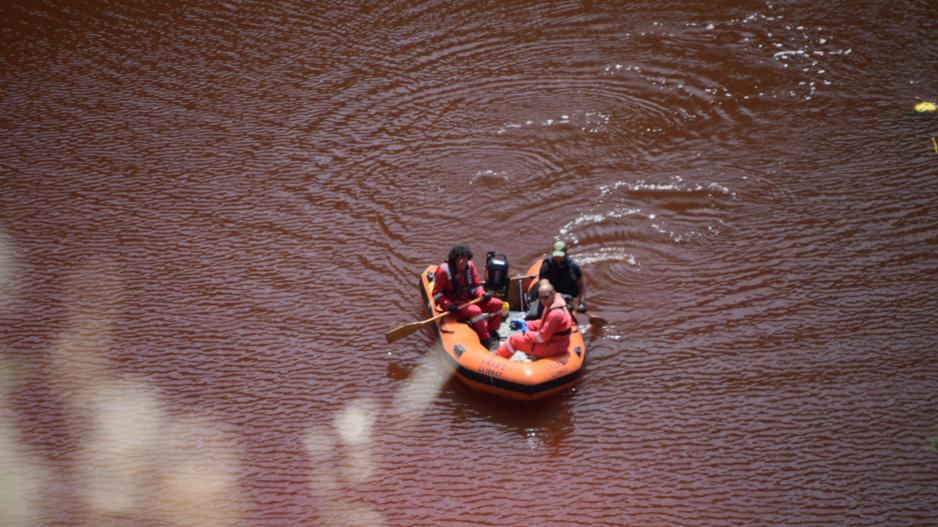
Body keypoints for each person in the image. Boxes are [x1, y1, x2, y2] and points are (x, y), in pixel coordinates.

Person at [432, 244, 504, 350]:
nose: (463, 262)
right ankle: (485, 339)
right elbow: (437, 293)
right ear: (454, 259)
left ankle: (492, 331)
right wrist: (448, 305)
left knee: (497, 304)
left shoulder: (469, 266)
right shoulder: (443, 271)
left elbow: (476, 286)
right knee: (476, 311)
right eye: (460, 259)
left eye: (465, 259)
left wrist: (482, 294)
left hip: (469, 299)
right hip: (455, 303)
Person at [495, 281, 572, 359]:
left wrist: (526, 333)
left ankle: (497, 360)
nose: (543, 300)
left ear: (553, 294)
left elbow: (541, 338)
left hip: (553, 347)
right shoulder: (554, 304)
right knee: (526, 337)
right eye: (541, 297)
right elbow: (545, 323)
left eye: (545, 297)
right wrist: (526, 324)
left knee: (513, 340)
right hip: (558, 343)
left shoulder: (554, 314)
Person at [525, 240, 586, 320]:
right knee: (533, 315)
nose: (558, 258)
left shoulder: (574, 268)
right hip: (550, 296)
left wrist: (582, 303)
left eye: (560, 256)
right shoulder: (547, 266)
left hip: (567, 300)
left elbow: (581, 286)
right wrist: (555, 295)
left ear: (565, 254)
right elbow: (544, 283)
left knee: (564, 316)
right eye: (556, 256)